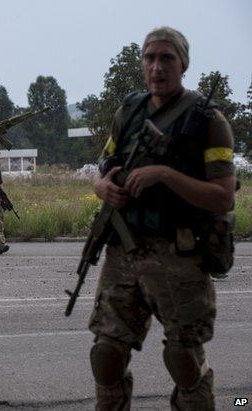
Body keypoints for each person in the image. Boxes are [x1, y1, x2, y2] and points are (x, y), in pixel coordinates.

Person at [88, 27, 236, 410]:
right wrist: (102, 187)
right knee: (106, 355)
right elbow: (104, 166)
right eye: (149, 57)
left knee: (183, 360)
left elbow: (223, 196)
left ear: (182, 63)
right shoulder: (130, 110)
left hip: (178, 257)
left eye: (166, 58)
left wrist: (165, 175)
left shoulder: (208, 120)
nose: (157, 66)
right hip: (124, 252)